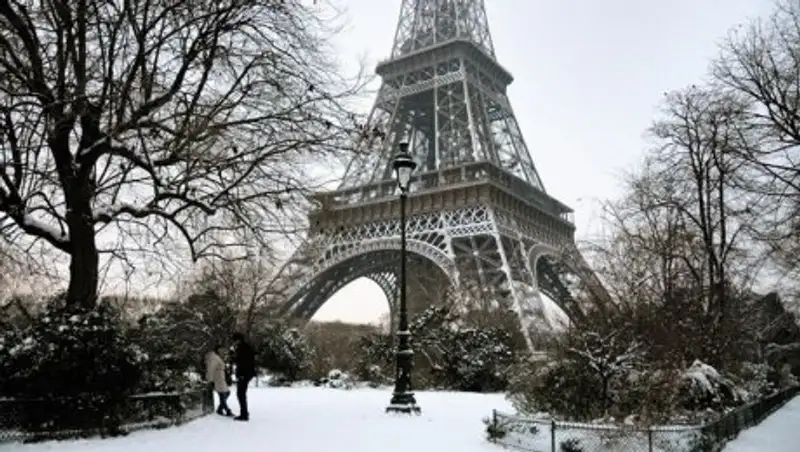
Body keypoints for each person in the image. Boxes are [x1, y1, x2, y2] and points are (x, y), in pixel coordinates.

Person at [231, 332, 256, 421]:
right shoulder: (244, 347)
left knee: (240, 394)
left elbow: (243, 362)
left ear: (238, 340)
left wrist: (241, 374)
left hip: (244, 374)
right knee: (241, 393)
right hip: (246, 373)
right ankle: (244, 412)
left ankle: (244, 414)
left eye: (234, 341)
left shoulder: (243, 348)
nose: (234, 343)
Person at [204, 344, 233, 417]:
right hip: (218, 378)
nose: (223, 351)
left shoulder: (217, 357)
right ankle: (227, 410)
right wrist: (210, 380)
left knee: (226, 393)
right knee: (223, 394)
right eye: (221, 349)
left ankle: (220, 409)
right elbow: (210, 369)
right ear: (217, 350)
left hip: (220, 377)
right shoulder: (214, 358)